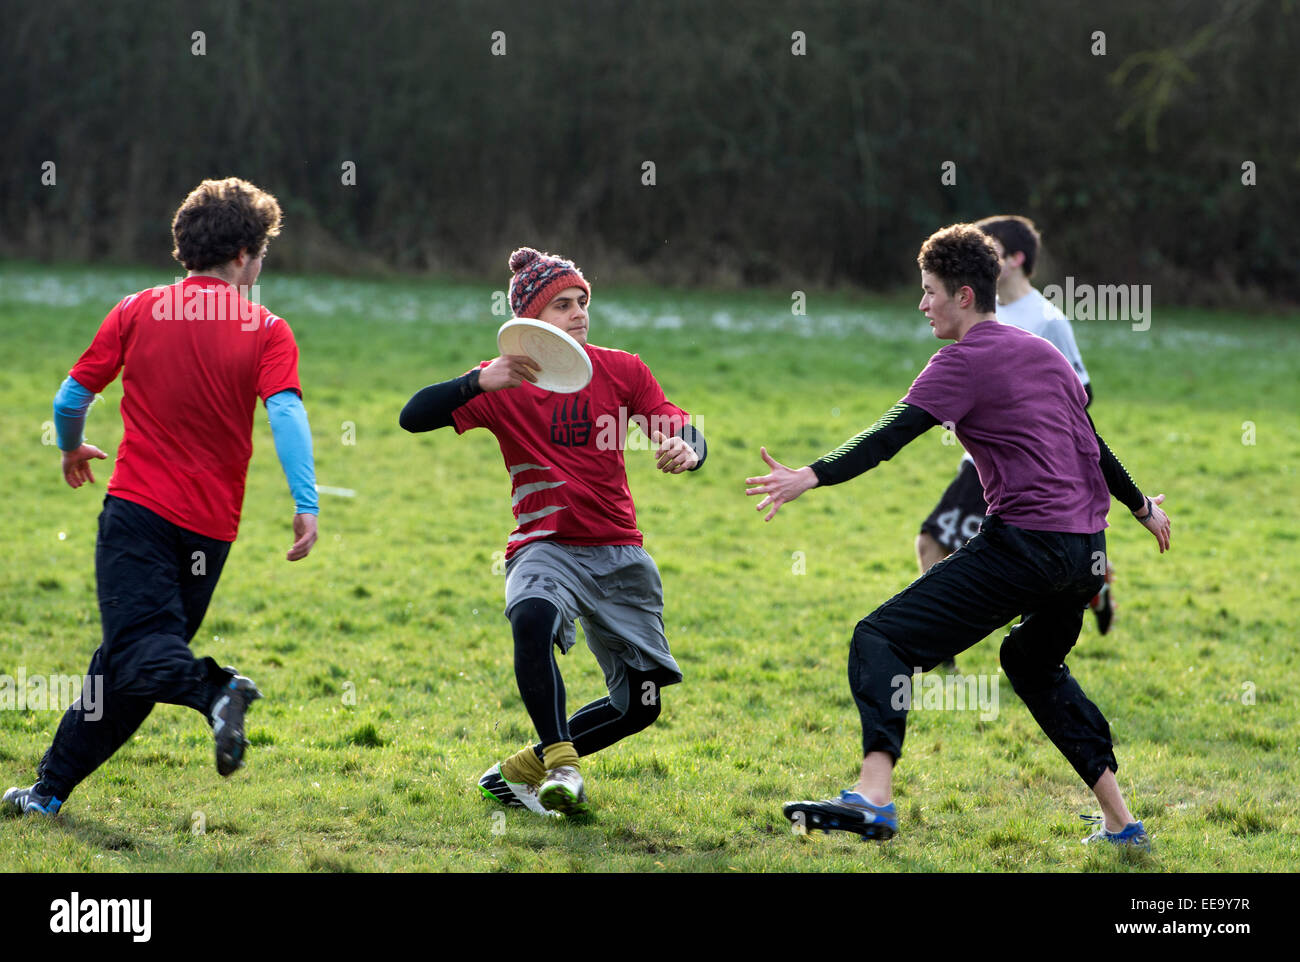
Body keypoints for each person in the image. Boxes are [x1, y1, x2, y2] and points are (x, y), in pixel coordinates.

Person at [746, 223, 1170, 846]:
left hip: (1025, 545)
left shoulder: (962, 360)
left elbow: (889, 436)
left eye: (928, 292)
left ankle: (873, 797)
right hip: (1086, 554)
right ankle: (1121, 821)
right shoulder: (1043, 352)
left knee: (880, 639)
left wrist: (809, 475)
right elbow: (1095, 443)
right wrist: (1140, 507)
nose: (922, 304)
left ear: (963, 296)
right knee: (1032, 662)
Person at [3, 177, 318, 818]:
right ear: (240, 256)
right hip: (211, 531)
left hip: (138, 512)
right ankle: (49, 792)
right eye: (260, 254)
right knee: (129, 662)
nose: (261, 266)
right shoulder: (267, 328)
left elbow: (70, 399)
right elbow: (286, 414)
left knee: (139, 653)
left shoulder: (137, 309)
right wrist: (305, 501)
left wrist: (71, 446)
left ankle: (218, 690)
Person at [400, 248, 706, 817]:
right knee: (532, 615)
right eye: (562, 305)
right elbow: (412, 415)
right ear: (531, 323)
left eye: (582, 301)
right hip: (546, 545)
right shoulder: (503, 385)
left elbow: (674, 419)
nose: (579, 313)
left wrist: (687, 446)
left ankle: (516, 772)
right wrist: (477, 382)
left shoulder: (621, 369)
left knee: (640, 705)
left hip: (618, 552)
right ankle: (564, 766)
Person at [916, 216, 1116, 652]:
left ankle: (1093, 583)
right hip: (982, 465)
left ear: (1017, 258)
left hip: (1028, 472)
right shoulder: (982, 311)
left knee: (975, 554)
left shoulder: (1048, 320)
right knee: (935, 542)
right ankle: (935, 648)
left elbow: (1081, 395)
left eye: (994, 247)